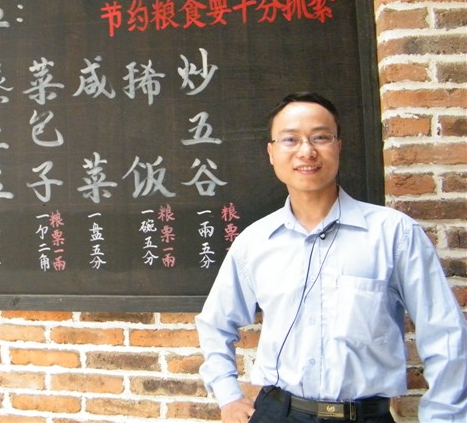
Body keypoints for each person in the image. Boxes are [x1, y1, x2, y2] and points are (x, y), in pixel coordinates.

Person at [195, 92, 467, 422]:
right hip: (278, 411)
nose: (306, 151)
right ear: (271, 152)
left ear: (338, 146)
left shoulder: (394, 234)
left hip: (364, 415)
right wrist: (227, 395)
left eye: (320, 137)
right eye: (290, 139)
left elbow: (444, 331)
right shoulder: (255, 242)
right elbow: (215, 323)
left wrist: (444, 416)